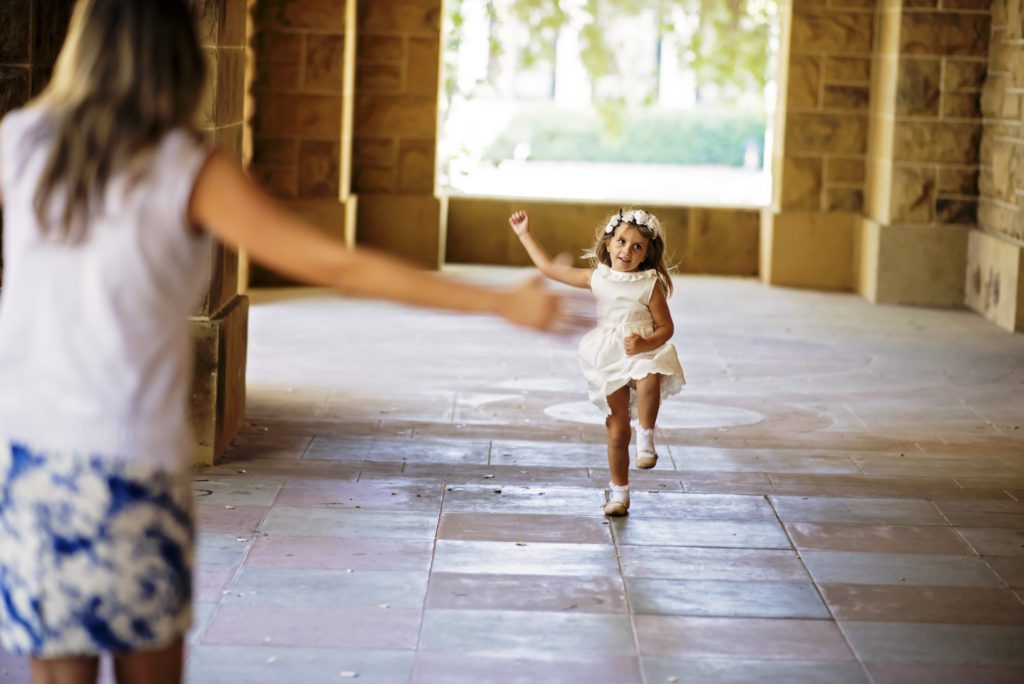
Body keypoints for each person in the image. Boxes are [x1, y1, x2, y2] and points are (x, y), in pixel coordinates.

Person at [0, 2, 571, 683]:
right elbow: (338, 265)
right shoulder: (185, 166)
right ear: (179, 54)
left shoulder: (23, 139)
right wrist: (497, 301)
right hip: (130, 463)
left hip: (31, 455)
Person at [509, 208, 685, 516]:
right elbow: (550, 269)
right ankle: (619, 492)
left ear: (645, 255)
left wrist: (646, 343)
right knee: (616, 429)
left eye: (636, 246)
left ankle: (647, 438)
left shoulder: (649, 284)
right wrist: (525, 233)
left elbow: (666, 328)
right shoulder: (597, 277)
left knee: (649, 375)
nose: (626, 251)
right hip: (608, 353)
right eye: (621, 242)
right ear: (607, 244)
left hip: (641, 348)